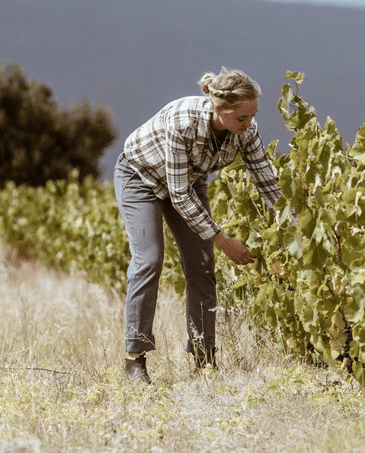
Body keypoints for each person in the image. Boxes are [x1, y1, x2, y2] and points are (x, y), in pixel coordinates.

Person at [113, 68, 281, 383]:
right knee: (149, 259)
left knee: (202, 266)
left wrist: (292, 224)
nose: (248, 126)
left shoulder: (245, 130)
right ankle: (134, 361)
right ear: (221, 110)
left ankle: (204, 360)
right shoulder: (183, 123)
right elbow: (177, 196)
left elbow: (266, 181)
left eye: (252, 117)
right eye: (242, 119)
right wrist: (223, 240)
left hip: (188, 182)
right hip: (140, 178)